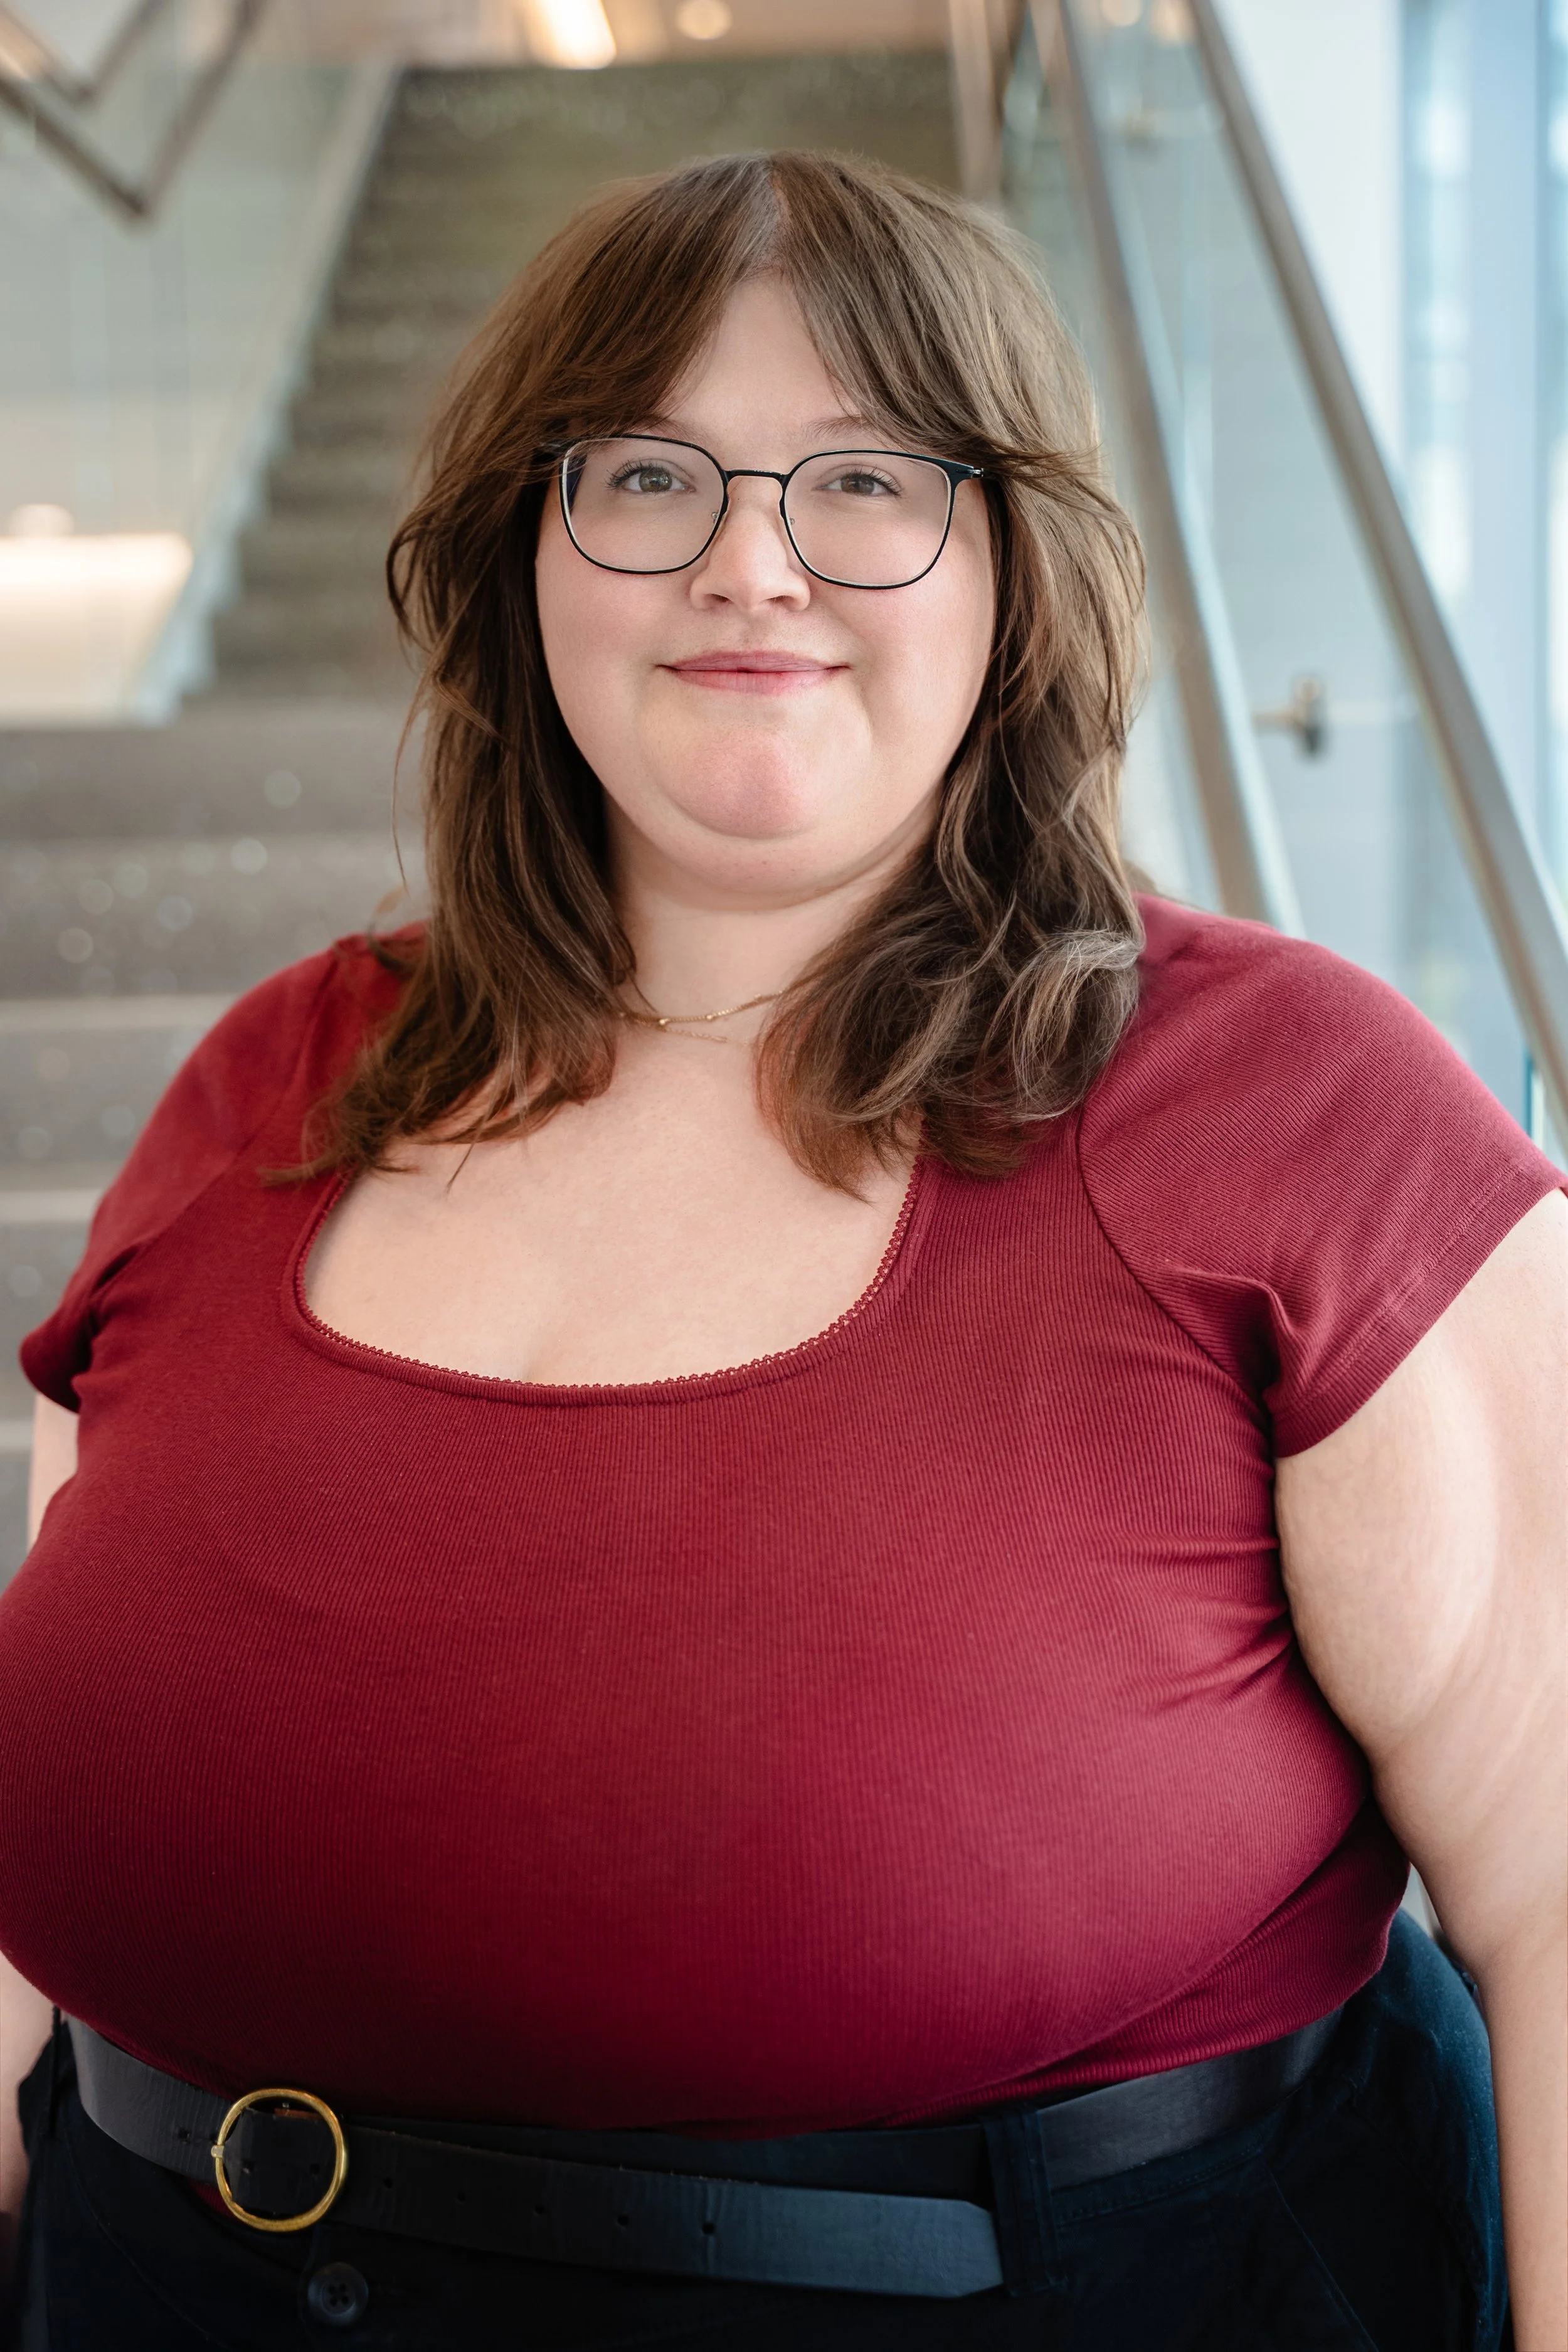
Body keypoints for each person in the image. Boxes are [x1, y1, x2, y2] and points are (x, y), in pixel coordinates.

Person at [0, 151, 1562, 2352]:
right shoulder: (276, 1073)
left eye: (865, 479)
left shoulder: (1301, 1113)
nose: (750, 562)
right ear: (520, 557)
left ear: (1016, 563)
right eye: (648, 471)